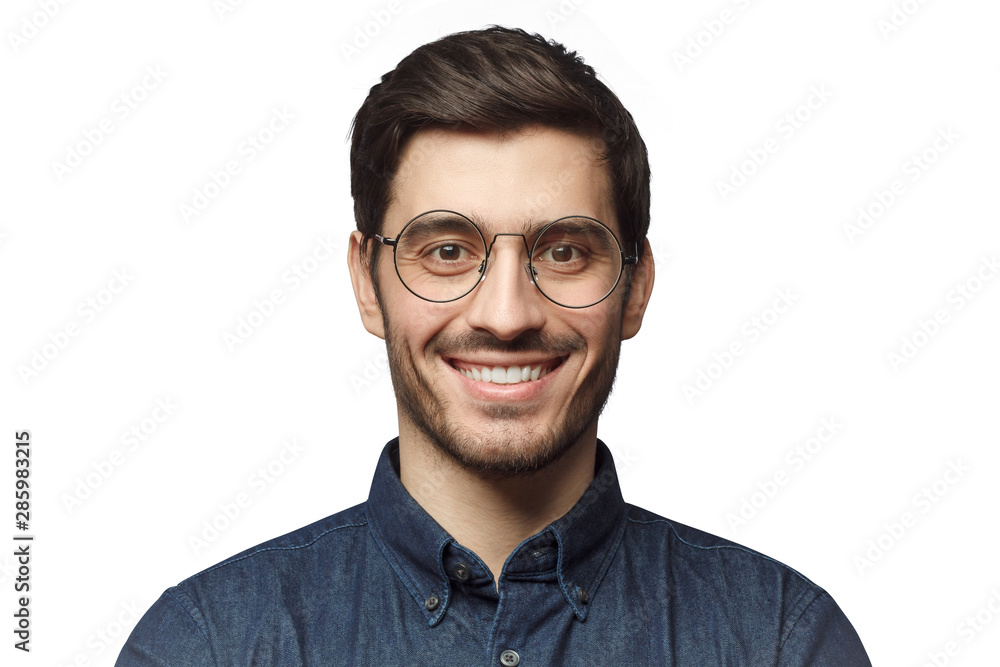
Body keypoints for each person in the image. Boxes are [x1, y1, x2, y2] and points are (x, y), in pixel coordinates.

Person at [117, 26, 871, 665]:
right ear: (366, 281)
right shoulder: (207, 645)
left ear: (636, 285)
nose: (507, 314)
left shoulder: (780, 641)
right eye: (445, 250)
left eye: (566, 251)